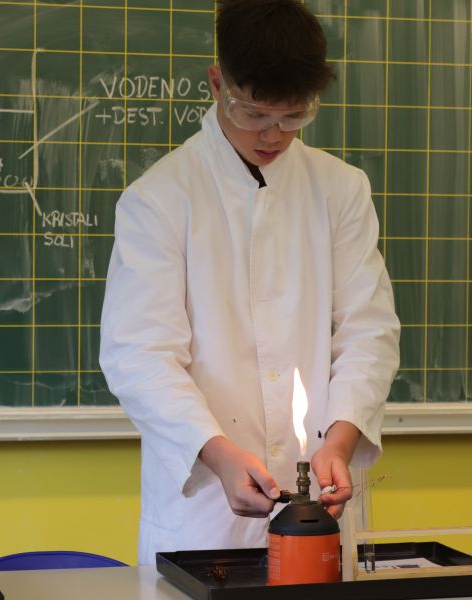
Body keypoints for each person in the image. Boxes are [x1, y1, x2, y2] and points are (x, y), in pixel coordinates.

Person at [99, 0, 400, 565]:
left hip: (326, 513)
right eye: (254, 113)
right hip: (205, 521)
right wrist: (218, 454)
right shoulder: (159, 199)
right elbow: (139, 356)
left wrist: (338, 443)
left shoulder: (341, 190)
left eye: (293, 117)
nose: (273, 134)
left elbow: (369, 333)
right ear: (218, 83)